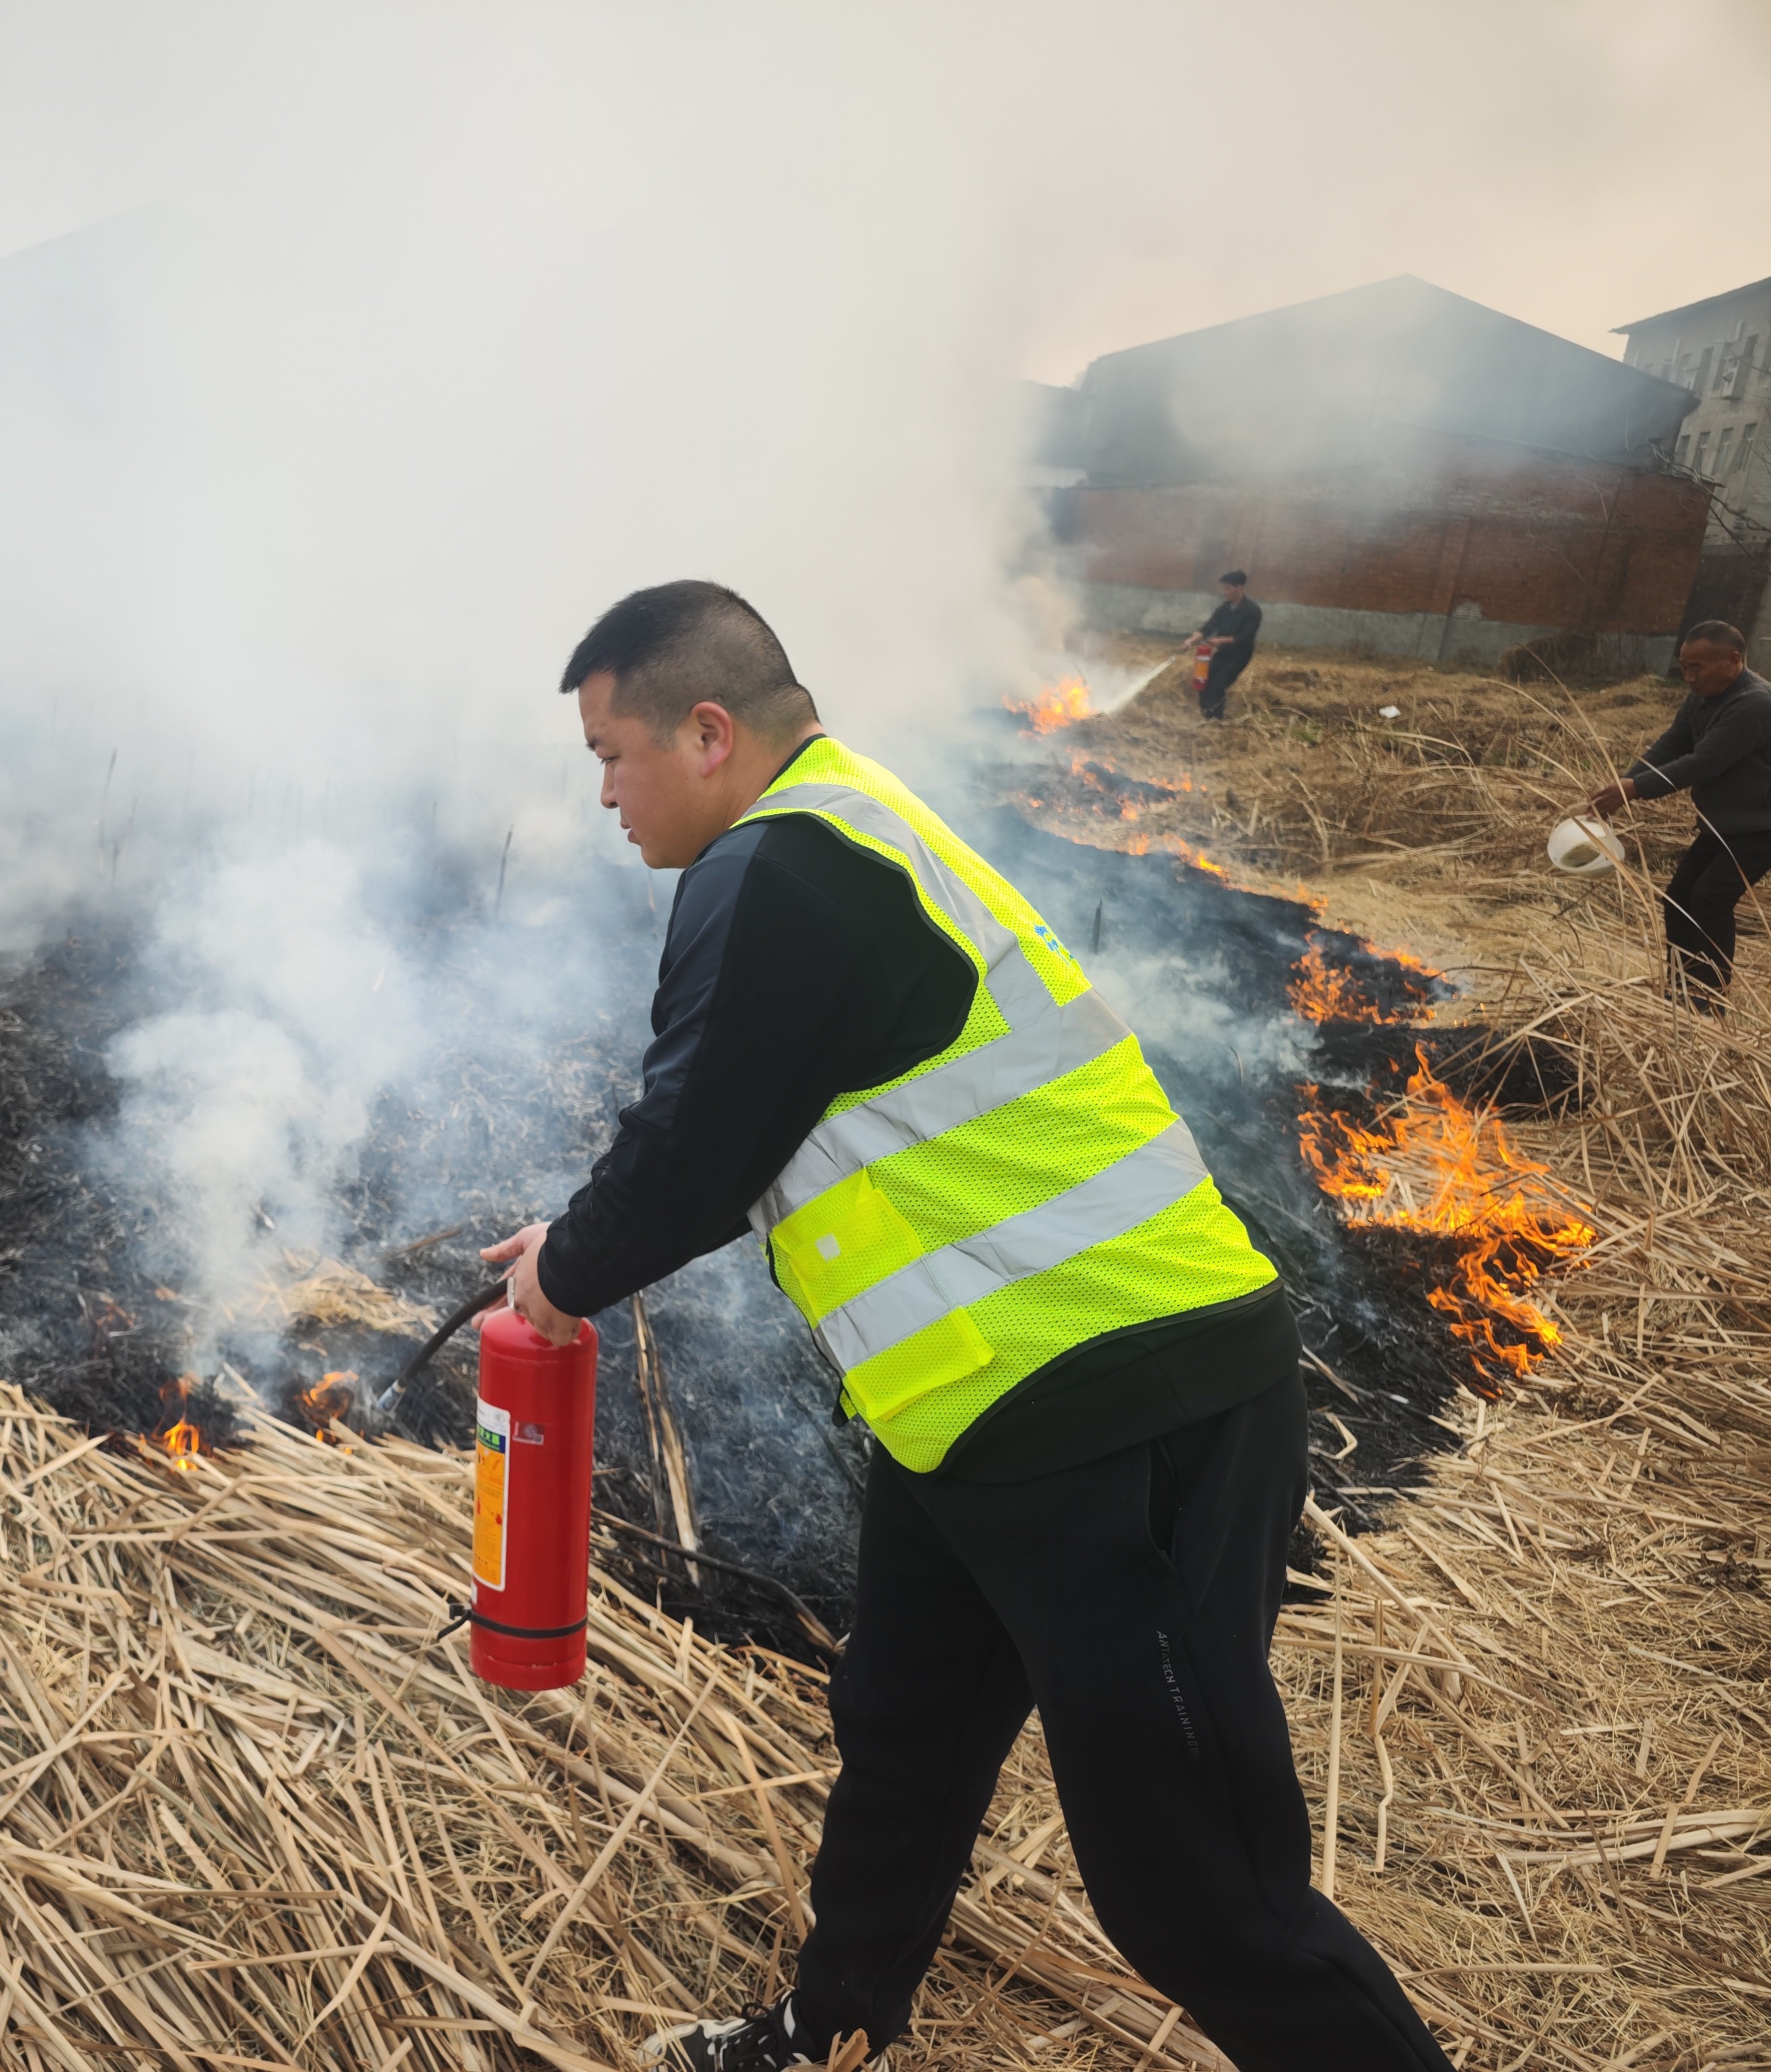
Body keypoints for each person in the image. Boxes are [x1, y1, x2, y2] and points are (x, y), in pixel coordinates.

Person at [480, 581, 1451, 2072]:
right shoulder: (842, 826)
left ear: (709, 732)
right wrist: (580, 1241)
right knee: (904, 1738)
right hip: (976, 1409)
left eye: (610, 753)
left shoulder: (782, 867)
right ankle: (829, 2034)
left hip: (1123, 1405)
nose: (601, 791)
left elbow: (692, 1148)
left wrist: (563, 1271)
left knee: (1195, 1893)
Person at [1586, 619, 1771, 1013]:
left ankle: (1710, 1002)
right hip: (1724, 824)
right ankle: (1681, 991)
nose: (1687, 677)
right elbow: (1673, 745)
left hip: (1761, 827)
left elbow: (1703, 762)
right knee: (1679, 900)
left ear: (1733, 661)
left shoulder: (1755, 704)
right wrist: (1626, 780)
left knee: (1710, 898)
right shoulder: (1703, 697)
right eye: (1684, 667)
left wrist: (1634, 791)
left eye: (1697, 668)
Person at [1176, 569, 1261, 721]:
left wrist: (1219, 640)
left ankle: (1216, 721)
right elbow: (1209, 627)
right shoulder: (1224, 609)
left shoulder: (1252, 611)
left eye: (1228, 588)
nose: (1224, 592)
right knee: (1203, 682)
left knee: (1218, 686)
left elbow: (1245, 638)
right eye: (1224, 588)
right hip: (1224, 653)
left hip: (1240, 656)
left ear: (1240, 588)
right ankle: (1206, 717)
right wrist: (1191, 640)